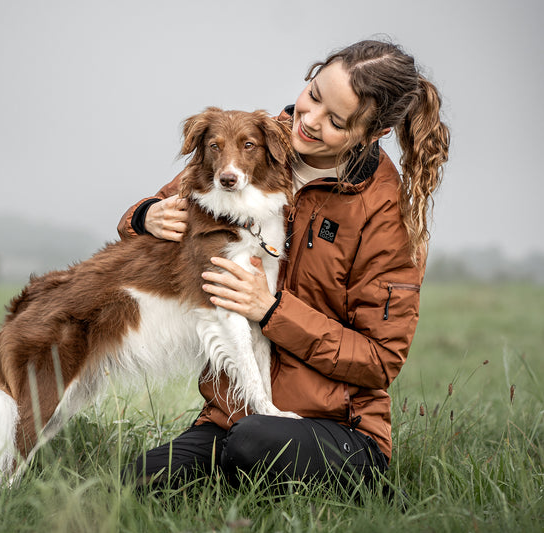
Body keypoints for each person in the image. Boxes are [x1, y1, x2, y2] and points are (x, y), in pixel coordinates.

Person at [117, 39, 450, 492]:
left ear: (373, 134)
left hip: (339, 428)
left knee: (254, 443)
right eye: (313, 96)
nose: (308, 121)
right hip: (231, 415)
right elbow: (166, 214)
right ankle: (245, 477)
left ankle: (365, 490)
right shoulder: (254, 140)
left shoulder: (385, 209)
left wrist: (272, 311)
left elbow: (380, 360)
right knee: (138, 481)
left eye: (335, 121)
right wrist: (144, 216)